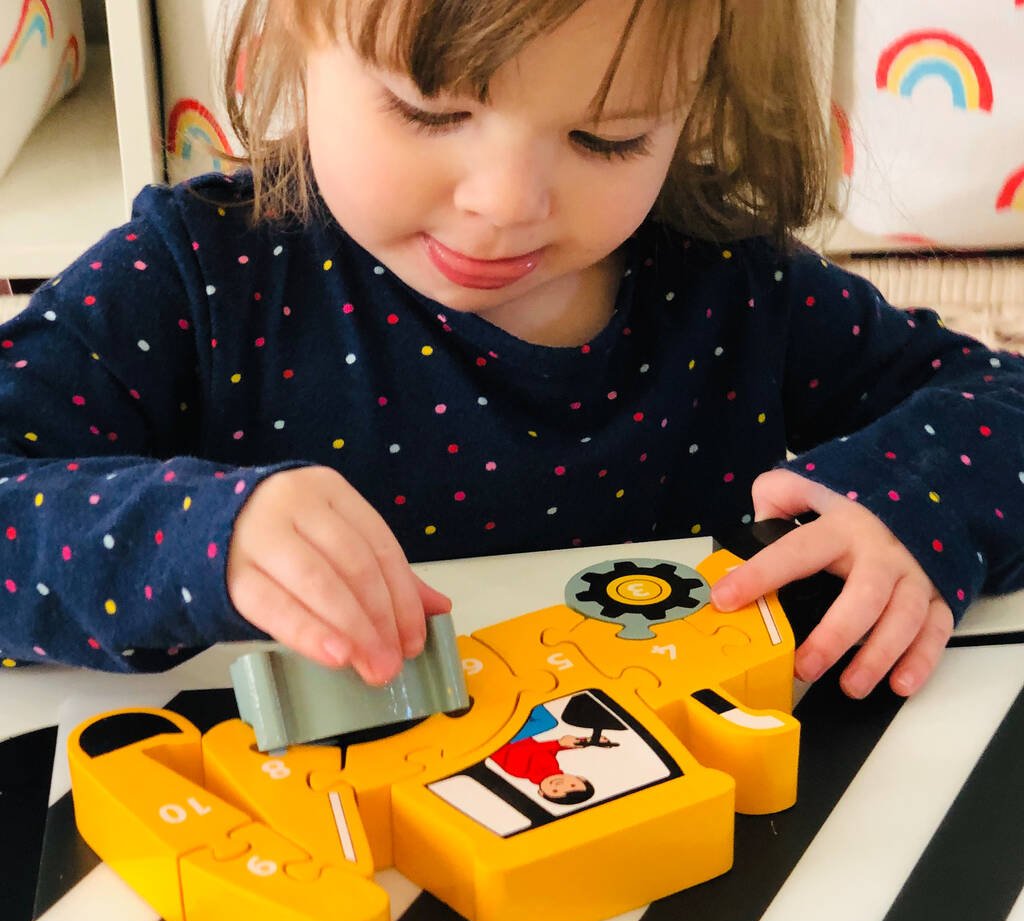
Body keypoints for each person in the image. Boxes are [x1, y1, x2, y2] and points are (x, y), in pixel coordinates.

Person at [0, 0, 1021, 700]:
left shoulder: (740, 288)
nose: (505, 206)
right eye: (428, 110)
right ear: (291, 33)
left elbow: (1000, 399)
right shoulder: (199, 279)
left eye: (607, 137)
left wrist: (916, 503)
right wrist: (198, 537)